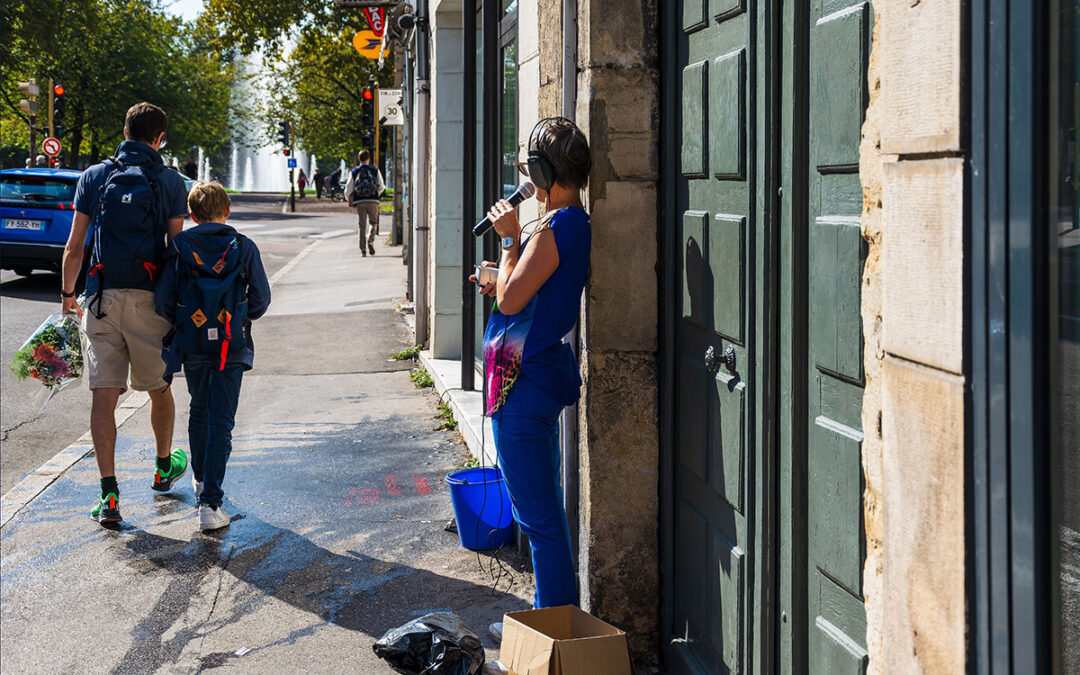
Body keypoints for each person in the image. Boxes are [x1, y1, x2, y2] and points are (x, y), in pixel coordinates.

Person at [470, 117, 592, 612]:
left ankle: (551, 629)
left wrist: (507, 238)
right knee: (540, 514)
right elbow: (522, 289)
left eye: (530, 166)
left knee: (539, 518)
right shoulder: (564, 223)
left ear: (545, 173)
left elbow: (512, 302)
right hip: (529, 381)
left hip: (523, 388)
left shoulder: (561, 223)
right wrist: (501, 275)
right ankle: (546, 617)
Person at [61, 102, 190, 525]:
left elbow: (75, 247)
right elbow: (177, 250)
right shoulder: (169, 181)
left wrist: (68, 295)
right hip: (152, 300)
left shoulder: (95, 176)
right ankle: (162, 467)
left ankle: (110, 495)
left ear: (125, 131)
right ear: (159, 139)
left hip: (102, 297)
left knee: (104, 394)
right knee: (159, 386)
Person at [154, 182, 270, 531]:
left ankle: (202, 482)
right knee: (222, 421)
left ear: (191, 215)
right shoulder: (243, 246)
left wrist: (184, 322)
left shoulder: (180, 246)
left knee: (199, 411)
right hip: (231, 345)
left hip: (193, 344)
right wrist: (238, 318)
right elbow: (261, 299)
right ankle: (211, 504)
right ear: (227, 211)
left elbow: (163, 299)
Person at [344, 149, 384, 256]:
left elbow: (349, 187)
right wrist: (376, 194)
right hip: (373, 200)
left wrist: (348, 198)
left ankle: (363, 249)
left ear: (359, 159)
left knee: (362, 225)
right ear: (369, 159)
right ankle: (370, 240)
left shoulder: (354, 171)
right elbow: (382, 186)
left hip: (360, 200)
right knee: (373, 222)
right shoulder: (375, 170)